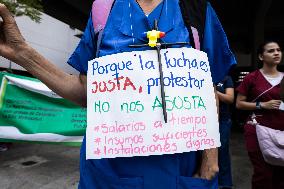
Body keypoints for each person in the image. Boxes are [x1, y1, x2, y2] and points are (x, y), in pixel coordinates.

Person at [0, 0, 236, 188]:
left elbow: (207, 87)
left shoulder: (195, 9)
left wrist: (210, 159)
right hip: (107, 175)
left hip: (181, 172)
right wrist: (22, 53)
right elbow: (86, 92)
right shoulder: (104, 9)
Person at [236, 40, 284, 189]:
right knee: (263, 173)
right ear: (261, 57)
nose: (276, 53)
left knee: (280, 173)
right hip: (257, 129)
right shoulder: (252, 77)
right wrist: (261, 105)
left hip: (281, 130)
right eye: (271, 51)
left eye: (278, 50)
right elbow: (239, 103)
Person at [216, 75, 234, 189]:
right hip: (203, 121)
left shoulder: (226, 78)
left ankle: (225, 184)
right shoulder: (200, 75)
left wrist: (213, 90)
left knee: (222, 151)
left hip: (223, 120)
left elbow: (230, 98)